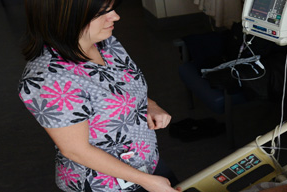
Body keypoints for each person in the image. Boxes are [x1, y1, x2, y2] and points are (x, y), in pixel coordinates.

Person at [17, 0, 179, 191]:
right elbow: (76, 151)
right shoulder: (48, 79)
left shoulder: (104, 41)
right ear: (65, 17)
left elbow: (120, 87)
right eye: (101, 12)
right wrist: (146, 181)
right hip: (104, 183)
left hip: (146, 161)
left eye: (112, 8)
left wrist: (150, 104)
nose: (116, 17)